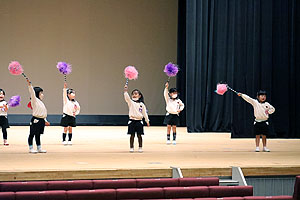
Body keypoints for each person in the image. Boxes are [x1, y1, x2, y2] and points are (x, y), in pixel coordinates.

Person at [124, 84, 150, 153]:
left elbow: (145, 113)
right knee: (132, 135)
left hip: (139, 121)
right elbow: (127, 98)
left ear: (139, 95)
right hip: (132, 121)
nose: (134, 95)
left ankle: (140, 147)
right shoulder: (131, 102)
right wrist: (125, 90)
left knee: (139, 135)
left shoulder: (142, 104)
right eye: (133, 94)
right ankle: (131, 147)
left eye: (136, 94)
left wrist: (147, 121)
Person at [26, 79, 50, 153]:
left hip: (41, 120)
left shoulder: (41, 103)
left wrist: (45, 120)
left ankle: (39, 148)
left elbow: (43, 113)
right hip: (35, 120)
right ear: (36, 94)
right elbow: (32, 93)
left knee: (38, 135)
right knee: (32, 134)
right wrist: (30, 85)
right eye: (40, 93)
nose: (42, 95)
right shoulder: (34, 100)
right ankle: (30, 148)